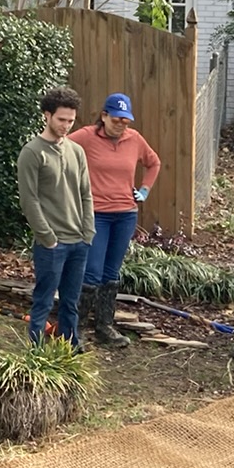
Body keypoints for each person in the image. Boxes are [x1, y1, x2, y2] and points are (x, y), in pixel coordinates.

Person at [68, 93, 162, 349]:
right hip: (96, 214)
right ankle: (74, 329)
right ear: (104, 116)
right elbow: (59, 150)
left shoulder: (135, 139)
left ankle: (104, 327)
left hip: (125, 214)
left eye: (126, 121)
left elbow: (153, 163)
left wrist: (144, 190)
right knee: (93, 271)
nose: (122, 125)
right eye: (117, 119)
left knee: (111, 272)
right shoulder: (86, 136)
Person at [17, 88, 96, 348]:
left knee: (71, 302)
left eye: (71, 120)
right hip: (51, 244)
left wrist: (88, 232)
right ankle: (36, 353)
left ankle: (69, 350)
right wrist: (47, 238)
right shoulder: (32, 152)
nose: (66, 125)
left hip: (78, 241)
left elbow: (86, 193)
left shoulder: (76, 151)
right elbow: (29, 200)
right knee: (43, 300)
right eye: (61, 119)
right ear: (47, 115)